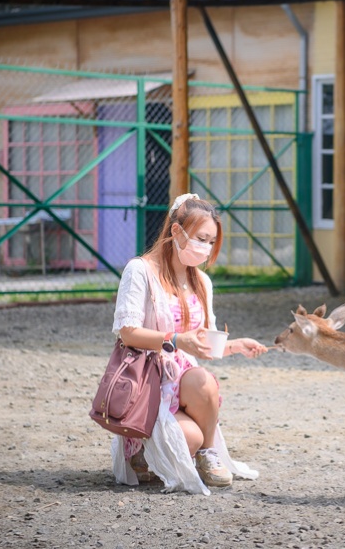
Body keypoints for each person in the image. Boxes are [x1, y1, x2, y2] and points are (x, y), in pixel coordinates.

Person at [110, 193, 267, 493]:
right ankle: (143, 450)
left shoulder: (201, 282)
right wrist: (175, 340)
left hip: (183, 378)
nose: (205, 248)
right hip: (146, 382)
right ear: (176, 232)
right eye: (201, 238)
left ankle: (207, 452)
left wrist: (236, 346)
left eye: (211, 241)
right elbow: (127, 332)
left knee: (204, 382)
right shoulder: (140, 270)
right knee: (187, 438)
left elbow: (203, 343)